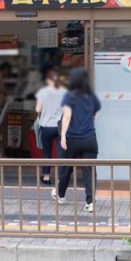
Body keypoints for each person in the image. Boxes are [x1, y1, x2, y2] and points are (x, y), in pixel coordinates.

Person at [52, 67, 102, 212]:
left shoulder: (70, 96)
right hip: (90, 139)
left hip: (72, 138)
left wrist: (63, 135)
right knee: (89, 170)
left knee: (65, 167)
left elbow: (67, 116)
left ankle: (60, 195)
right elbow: (96, 113)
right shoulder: (91, 96)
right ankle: (90, 202)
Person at [34, 68, 65, 184]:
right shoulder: (63, 92)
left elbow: (38, 109)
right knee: (60, 152)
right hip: (59, 126)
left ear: (48, 80)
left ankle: (46, 176)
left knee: (46, 152)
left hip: (46, 126)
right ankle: (60, 177)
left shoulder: (43, 92)